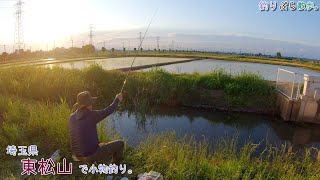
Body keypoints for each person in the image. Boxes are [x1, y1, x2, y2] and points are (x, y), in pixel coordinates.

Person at [69, 91, 124, 164]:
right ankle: (115, 167)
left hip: (77, 155)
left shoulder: (72, 117)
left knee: (99, 145)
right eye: (91, 103)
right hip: (89, 156)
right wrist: (117, 99)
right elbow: (109, 110)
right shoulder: (92, 115)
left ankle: (89, 160)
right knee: (120, 144)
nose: (92, 105)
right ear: (88, 104)